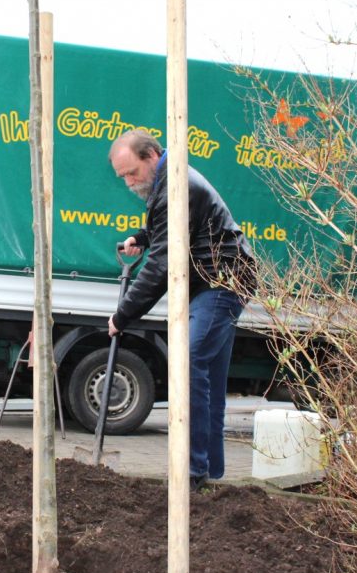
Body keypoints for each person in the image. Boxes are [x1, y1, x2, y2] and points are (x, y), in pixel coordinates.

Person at [106, 130, 256, 492]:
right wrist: (140, 238)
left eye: (132, 173)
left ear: (151, 156)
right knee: (209, 378)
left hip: (222, 282)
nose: (129, 182)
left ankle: (192, 473)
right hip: (216, 281)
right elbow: (167, 232)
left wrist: (122, 316)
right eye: (123, 176)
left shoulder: (177, 185)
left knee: (189, 364)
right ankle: (209, 473)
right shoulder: (168, 181)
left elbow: (161, 265)